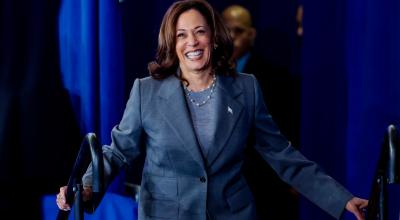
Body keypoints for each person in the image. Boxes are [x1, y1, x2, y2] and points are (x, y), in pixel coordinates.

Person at [57, 0, 368, 219]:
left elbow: (283, 156)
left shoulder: (246, 88)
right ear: (172, 42)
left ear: (214, 38)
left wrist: (340, 200)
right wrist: (84, 188)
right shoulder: (146, 91)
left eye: (200, 31)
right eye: (181, 34)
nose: (191, 41)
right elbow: (117, 152)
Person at [222, 5, 301, 219]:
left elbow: (285, 129)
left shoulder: (274, 79)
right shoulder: (206, 75)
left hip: (262, 184)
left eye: (237, 31)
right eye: (225, 30)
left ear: (251, 34)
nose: (230, 37)